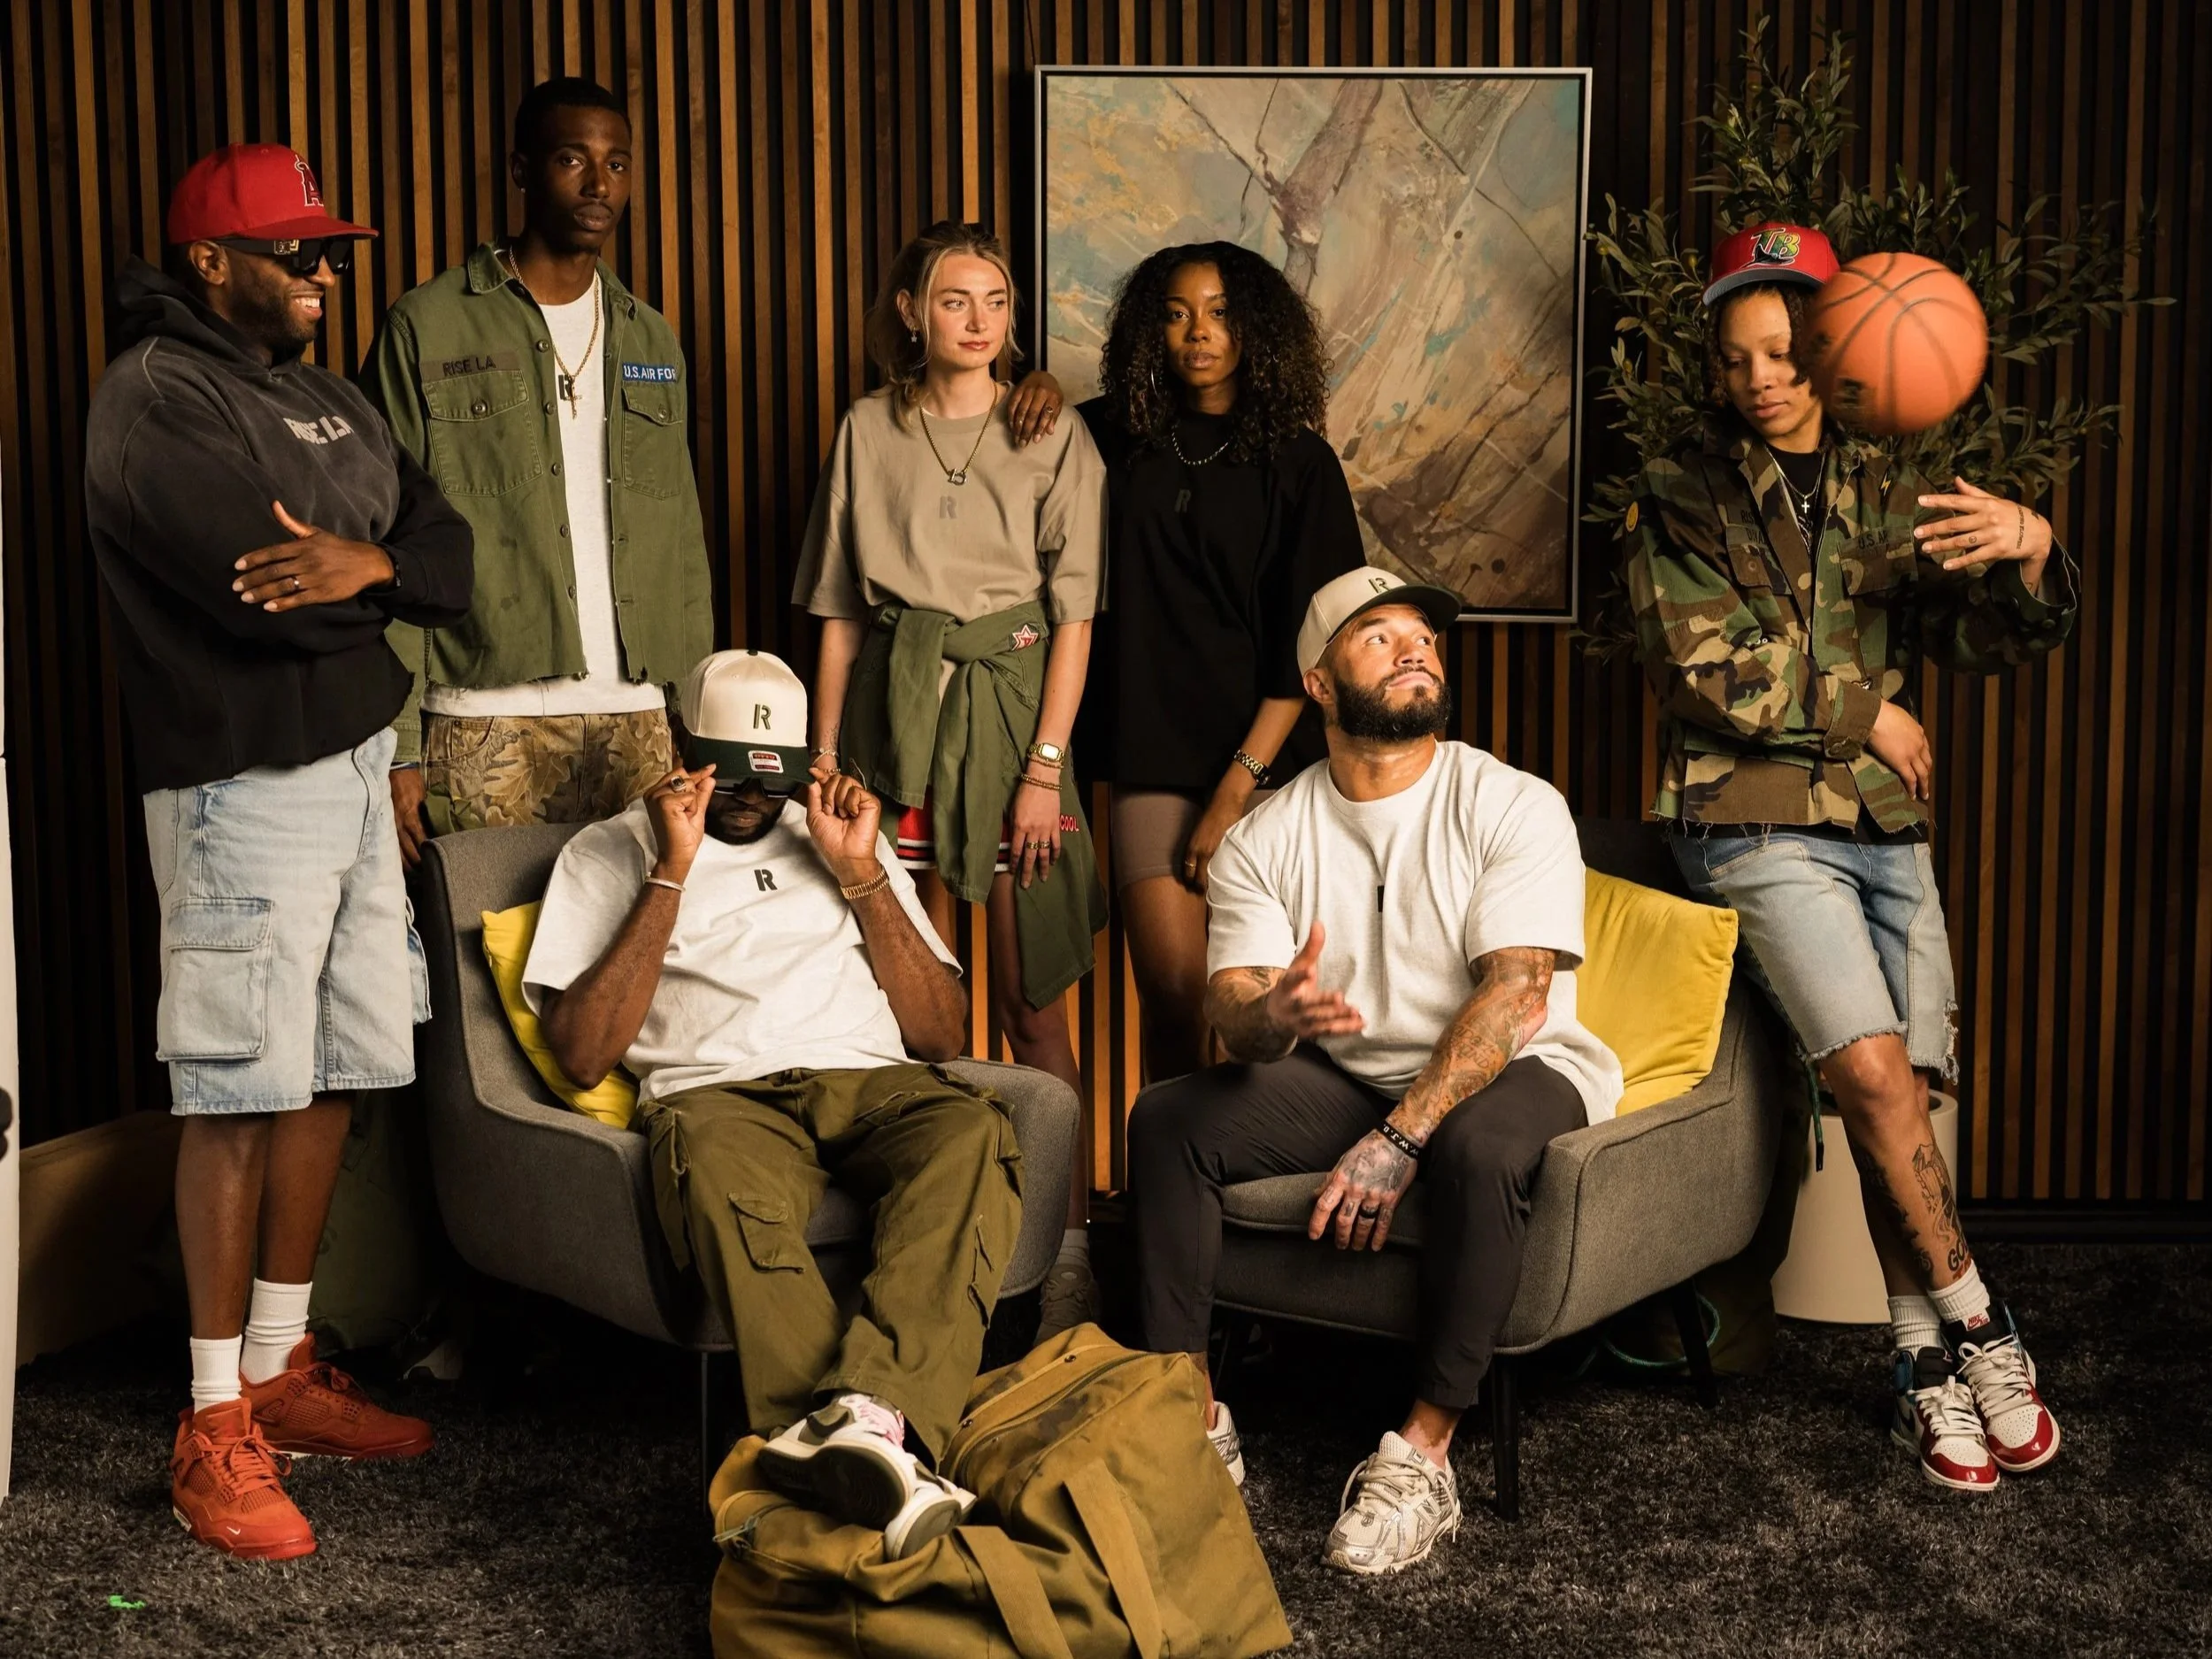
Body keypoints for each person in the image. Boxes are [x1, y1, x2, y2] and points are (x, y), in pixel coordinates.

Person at [1624, 221, 2073, 1492]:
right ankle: (1987, 1326)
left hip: (1886, 824)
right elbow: (1699, 667)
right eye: (1735, 356)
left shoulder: (1896, 484)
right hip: (1752, 817)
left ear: (1831, 347)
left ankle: (1923, 1372)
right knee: (1876, 1079)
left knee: (1906, 1107)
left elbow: (1983, 638)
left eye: (1782, 348)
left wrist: (2032, 550)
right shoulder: (1679, 491)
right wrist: (1861, 707)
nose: (1760, 375)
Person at [83, 142, 472, 1559]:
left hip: (360, 769)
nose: (324, 271)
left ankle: (280, 1366)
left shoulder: (323, 394)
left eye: (330, 252)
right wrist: (377, 580)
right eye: (297, 251)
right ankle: (208, 1420)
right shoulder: (155, 401)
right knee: (237, 1088)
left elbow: (449, 550)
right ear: (209, 262)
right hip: (241, 782)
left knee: (339, 1067)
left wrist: (372, 563)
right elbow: (266, 603)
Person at [1127, 567, 1624, 1577]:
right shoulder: (1264, 838)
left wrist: (1402, 1137)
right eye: (1377, 635)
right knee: (1168, 1121)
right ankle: (1192, 1419)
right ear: (1316, 682)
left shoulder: (1512, 803)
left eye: (1426, 639)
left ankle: (1422, 1454)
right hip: (1350, 1069)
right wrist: (1268, 1017)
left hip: (1522, 1066)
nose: (1415, 651)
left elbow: (1517, 995)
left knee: (1476, 1151)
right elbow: (1230, 1004)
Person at [524, 651, 1021, 1558]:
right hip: (716, 1095)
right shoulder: (610, 849)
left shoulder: (836, 835)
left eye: (774, 777)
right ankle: (867, 1466)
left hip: (870, 1080)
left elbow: (941, 1037)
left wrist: (861, 875)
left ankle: (858, 1426)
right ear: (681, 745)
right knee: (719, 1176)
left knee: (975, 1129)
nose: (754, 800)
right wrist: (670, 874)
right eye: (730, 773)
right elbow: (583, 1048)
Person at [792, 221, 1107, 1340]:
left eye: (996, 301)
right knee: (915, 1010)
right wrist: (827, 755)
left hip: (1017, 715)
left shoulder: (1052, 428)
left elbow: (1074, 618)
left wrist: (1045, 770)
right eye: (955, 300)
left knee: (1033, 1010)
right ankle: (946, 1258)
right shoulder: (866, 429)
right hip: (898, 715)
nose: (978, 321)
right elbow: (836, 610)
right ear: (909, 314)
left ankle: (1063, 1262)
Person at [363, 77, 707, 856]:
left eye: (617, 165)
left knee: (637, 965)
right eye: (571, 160)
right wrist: (401, 742)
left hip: (640, 724)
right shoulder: (428, 325)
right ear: (521, 173)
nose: (599, 185)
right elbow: (386, 536)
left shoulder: (650, 339)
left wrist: (692, 717)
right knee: (485, 968)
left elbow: (682, 539)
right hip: (482, 722)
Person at [1078, 242, 1365, 1081]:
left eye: (1220, 311)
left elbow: (1314, 646)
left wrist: (1235, 789)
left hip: (1268, 762)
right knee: (1170, 993)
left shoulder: (1300, 462)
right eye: (1175, 313)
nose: (1197, 332)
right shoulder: (1107, 438)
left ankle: (1249, 1193)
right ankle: (1166, 1198)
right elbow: (999, 434)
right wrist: (1031, 389)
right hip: (1151, 754)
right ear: (1149, 329)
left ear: (1257, 328)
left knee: (1262, 1006)